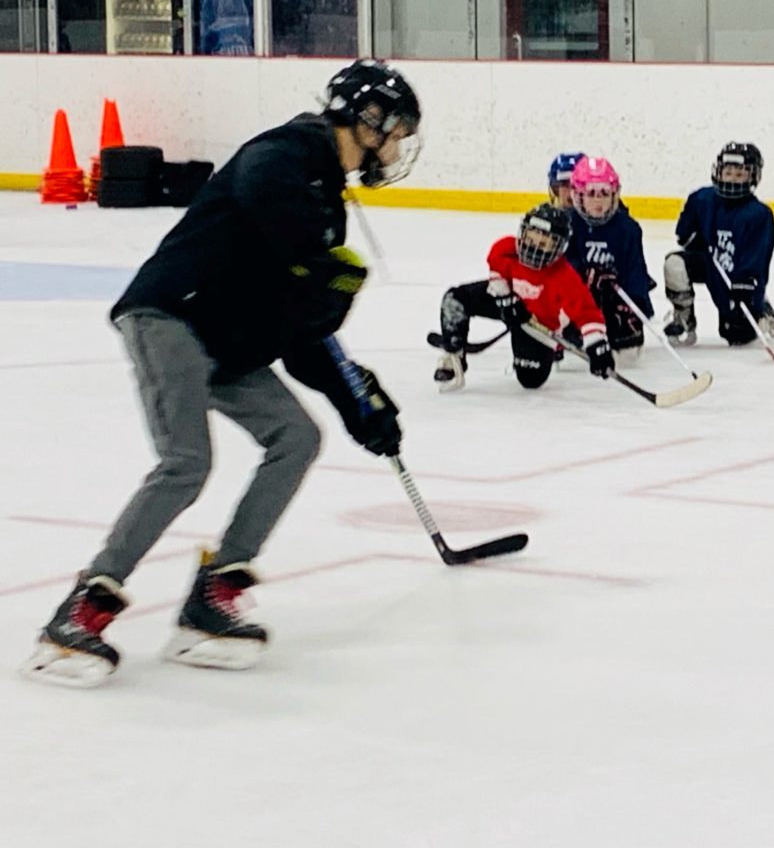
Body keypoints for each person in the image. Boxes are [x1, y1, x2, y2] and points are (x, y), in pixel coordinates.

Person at [25, 59, 422, 687]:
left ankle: (214, 595)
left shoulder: (324, 197)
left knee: (296, 438)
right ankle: (79, 614)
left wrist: (357, 399)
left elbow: (303, 331)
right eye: (396, 131)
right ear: (368, 121)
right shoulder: (290, 152)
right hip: (172, 316)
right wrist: (315, 266)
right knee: (186, 462)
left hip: (225, 343)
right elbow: (264, 192)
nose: (398, 145)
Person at [433, 204, 615, 392]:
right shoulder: (506, 248)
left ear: (559, 247)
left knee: (530, 379)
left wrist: (597, 345)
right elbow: (496, 265)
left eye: (544, 245)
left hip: (536, 323)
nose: (534, 249)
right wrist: (504, 297)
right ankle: (454, 355)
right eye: (531, 239)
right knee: (455, 299)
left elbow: (587, 313)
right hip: (507, 303)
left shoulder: (564, 276)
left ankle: (565, 335)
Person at [662, 142, 774, 348]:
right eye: (728, 172)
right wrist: (691, 236)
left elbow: (758, 258)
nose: (732, 179)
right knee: (674, 264)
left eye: (739, 174)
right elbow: (683, 233)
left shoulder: (759, 214)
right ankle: (683, 318)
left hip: (737, 277)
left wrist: (747, 285)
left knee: (736, 335)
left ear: (753, 177)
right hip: (709, 263)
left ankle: (762, 309)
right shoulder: (702, 199)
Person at [566, 155, 654, 366]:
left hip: (615, 300)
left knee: (628, 358)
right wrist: (588, 276)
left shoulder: (628, 228)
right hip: (579, 300)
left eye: (604, 193)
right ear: (578, 195)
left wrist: (633, 306)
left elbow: (635, 271)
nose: (598, 200)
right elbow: (564, 268)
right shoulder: (567, 225)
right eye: (591, 193)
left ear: (615, 194)